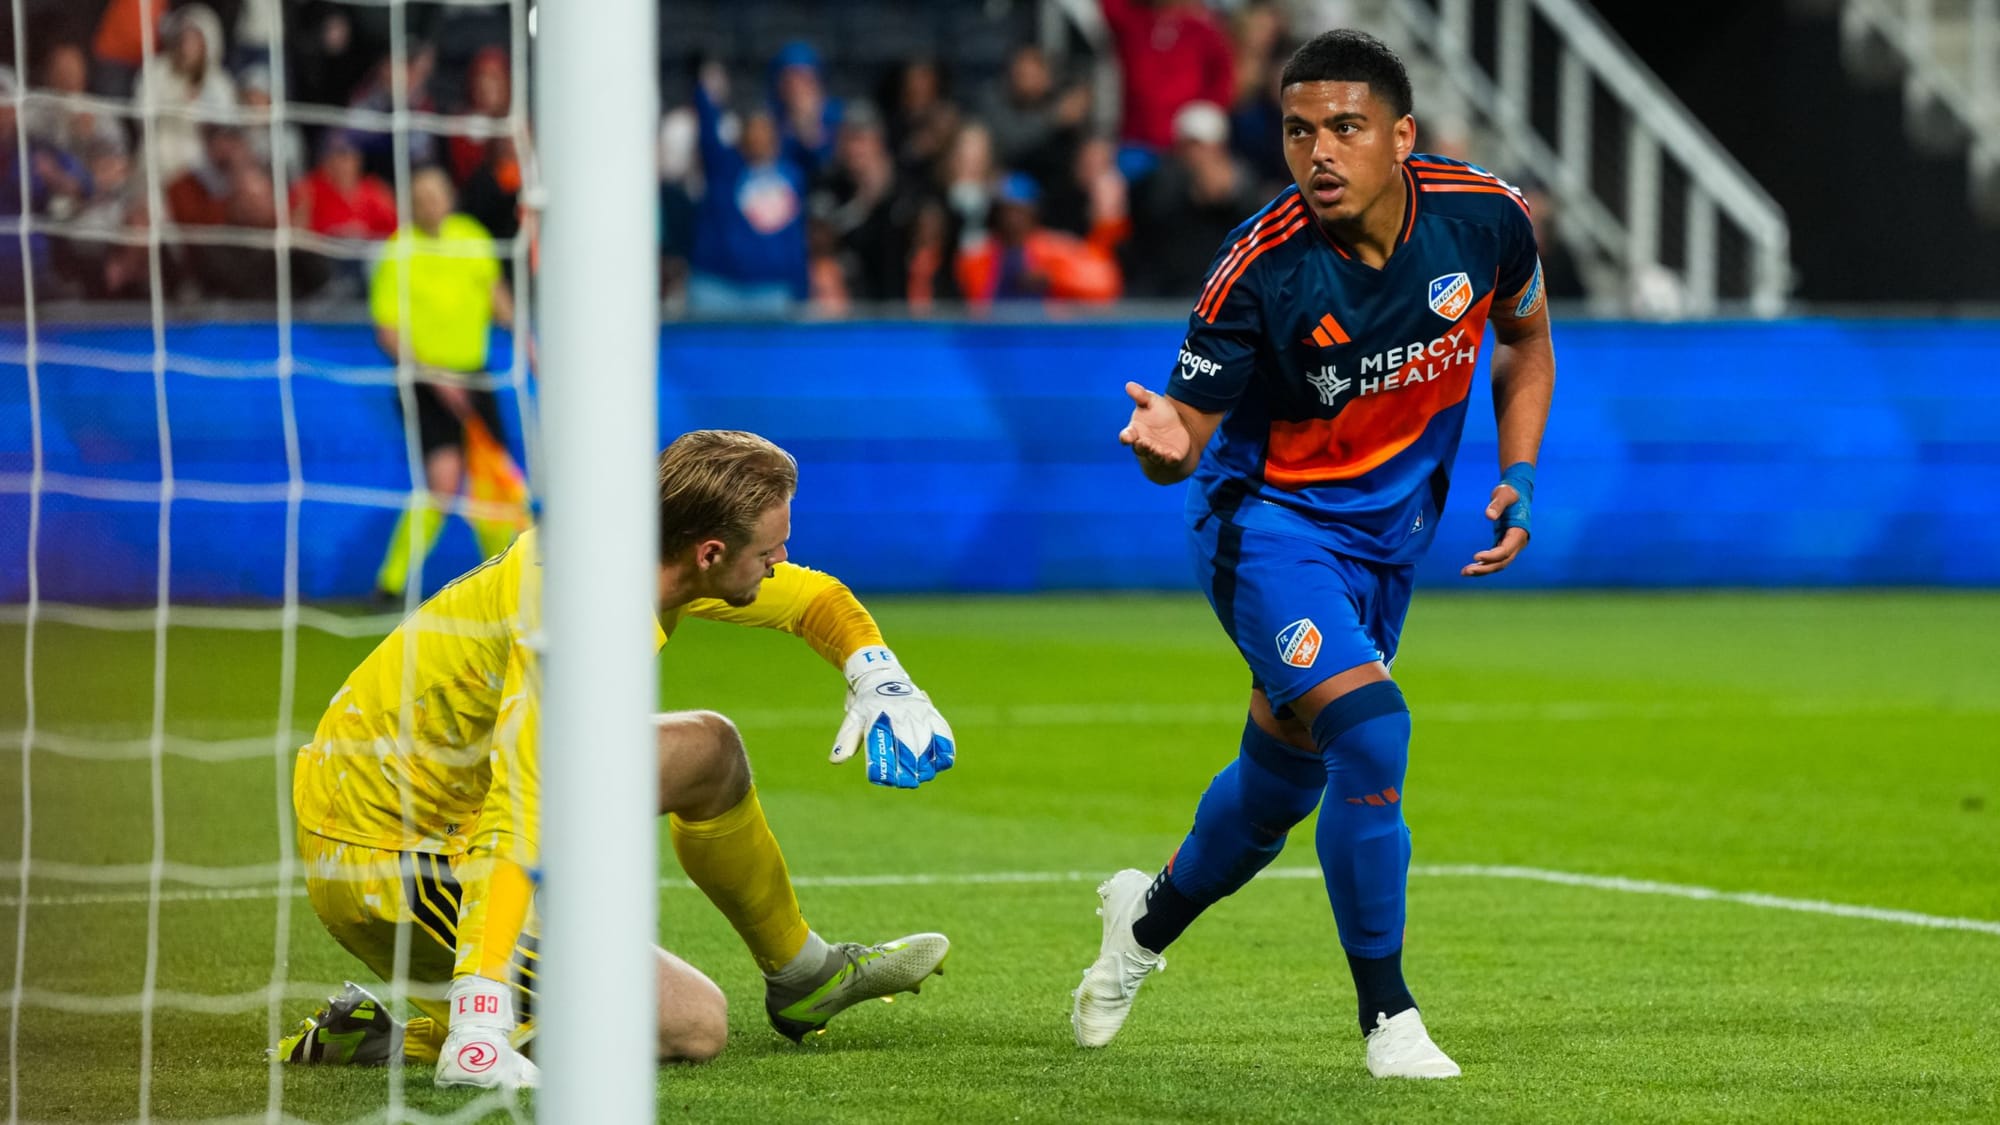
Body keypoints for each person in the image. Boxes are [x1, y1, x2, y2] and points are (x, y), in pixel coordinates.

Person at [1072, 30, 1555, 1079]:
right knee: (1372, 733)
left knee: (1280, 786)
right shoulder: (1259, 266)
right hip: (1267, 531)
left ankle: (1140, 924)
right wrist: (1161, 446)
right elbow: (1186, 434)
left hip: (1388, 545)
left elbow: (1523, 340)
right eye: (1298, 132)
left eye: (1344, 128)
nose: (1319, 152)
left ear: (1401, 136)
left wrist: (1518, 474)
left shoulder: (1486, 219)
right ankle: (1389, 1018)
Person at [277, 430, 958, 1088]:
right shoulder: (579, 621)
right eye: (769, 550)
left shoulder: (642, 550)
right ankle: (395, 1034)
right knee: (694, 1025)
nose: (782, 559)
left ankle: (805, 976)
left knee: (709, 752)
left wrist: (879, 675)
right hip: (389, 854)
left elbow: (813, 598)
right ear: (710, 552)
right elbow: (522, 804)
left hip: (461, 791)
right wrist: (481, 1009)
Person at [368, 166, 521, 601]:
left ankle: (502, 583)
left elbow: (495, 295)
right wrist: (434, 377)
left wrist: (522, 337)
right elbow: (387, 332)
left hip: (474, 376)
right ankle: (390, 583)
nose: (429, 204)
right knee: (443, 483)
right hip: (422, 380)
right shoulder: (398, 251)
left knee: (492, 480)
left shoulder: (472, 238)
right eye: (420, 197)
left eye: (435, 195)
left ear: (449, 197)